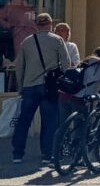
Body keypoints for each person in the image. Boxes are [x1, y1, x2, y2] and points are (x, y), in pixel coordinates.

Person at [12, 13, 70, 164]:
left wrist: (21, 86)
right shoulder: (57, 40)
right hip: (49, 87)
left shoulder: (27, 42)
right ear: (50, 24)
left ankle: (17, 154)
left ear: (36, 25)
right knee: (49, 122)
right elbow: (66, 64)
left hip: (29, 86)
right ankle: (47, 154)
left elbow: (20, 66)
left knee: (24, 121)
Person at [59, 46, 100, 127]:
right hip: (78, 99)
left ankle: (60, 135)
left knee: (62, 126)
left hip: (64, 95)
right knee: (81, 128)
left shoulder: (84, 62)